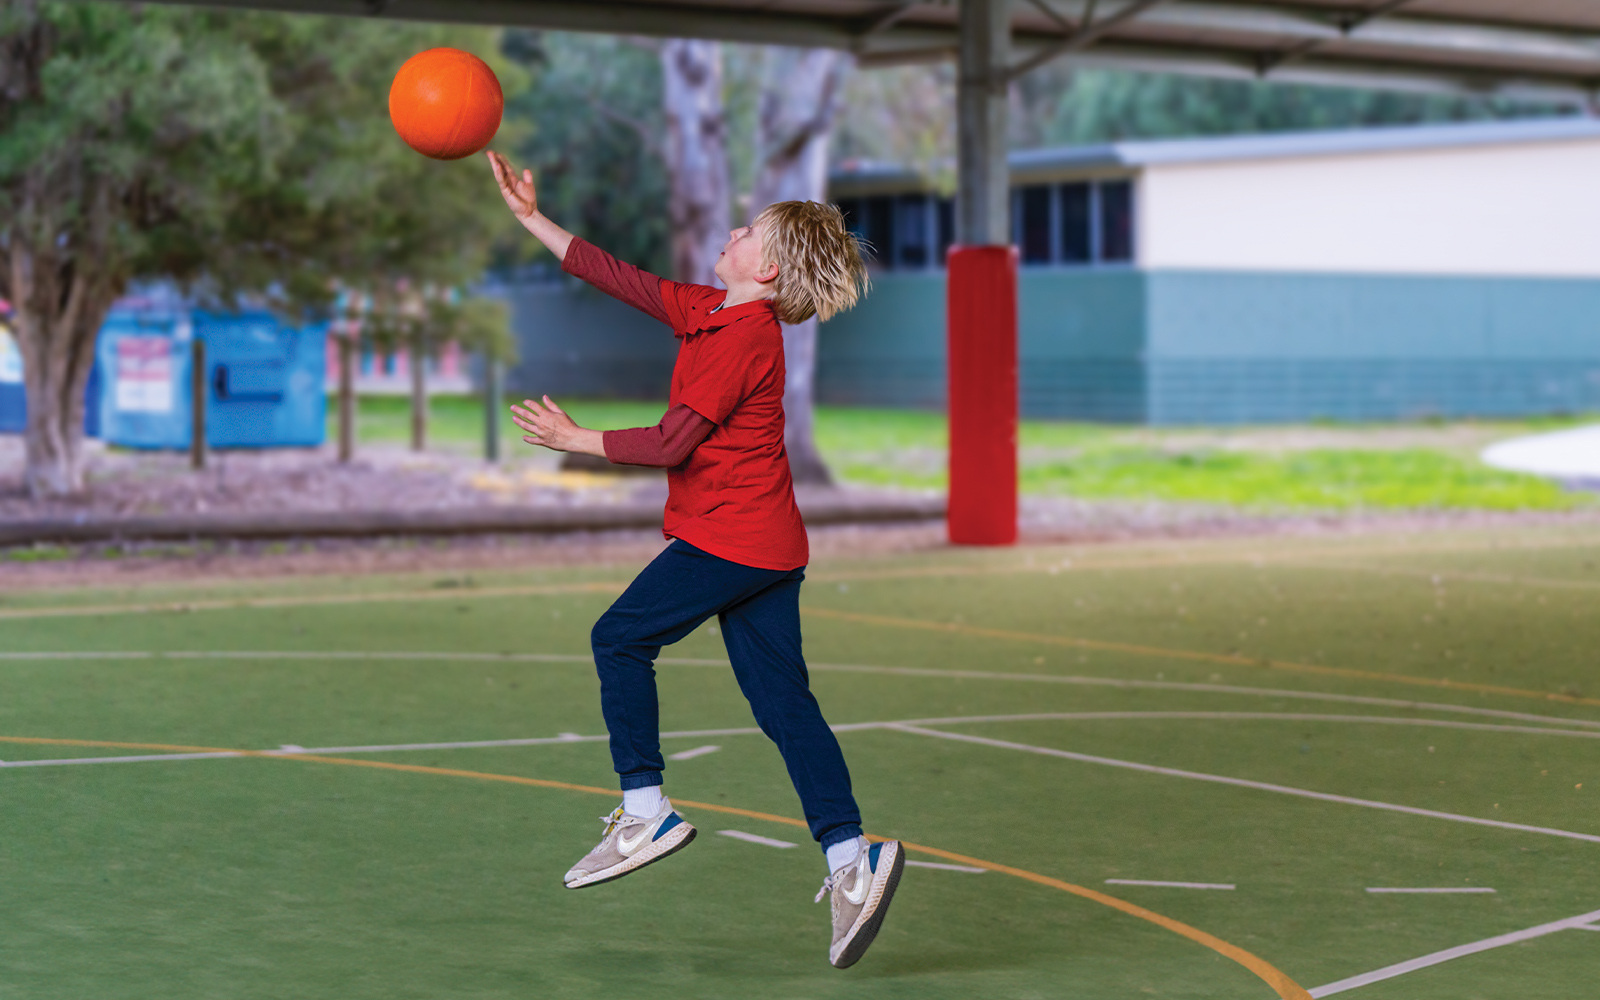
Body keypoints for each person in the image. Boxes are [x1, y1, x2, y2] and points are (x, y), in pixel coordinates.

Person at [487, 150, 903, 969]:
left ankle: (647, 809)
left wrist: (578, 440)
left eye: (749, 231)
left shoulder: (742, 338)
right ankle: (852, 861)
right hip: (766, 544)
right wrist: (529, 216)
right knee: (785, 707)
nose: (733, 231)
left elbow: (676, 438)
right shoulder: (713, 310)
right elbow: (620, 277)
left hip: (732, 541)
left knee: (619, 637)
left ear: (769, 266)